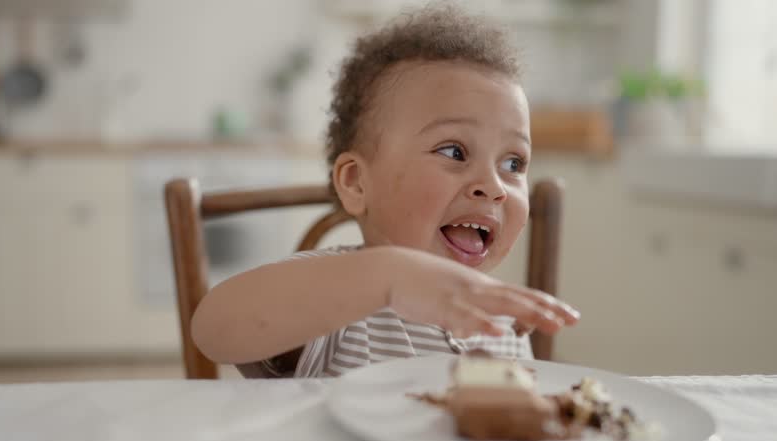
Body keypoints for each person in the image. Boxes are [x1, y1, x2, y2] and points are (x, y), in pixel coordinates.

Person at [191, 3, 580, 378]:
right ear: (356, 182)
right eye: (454, 152)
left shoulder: (505, 322)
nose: (494, 187)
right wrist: (388, 278)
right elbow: (213, 329)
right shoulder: (337, 297)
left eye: (513, 164)